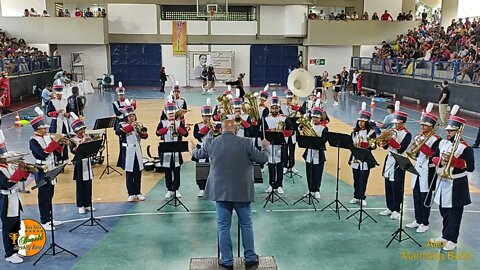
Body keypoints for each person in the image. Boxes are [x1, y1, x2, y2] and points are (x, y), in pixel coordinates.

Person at [193, 119, 269, 269]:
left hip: (220, 192)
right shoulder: (246, 143)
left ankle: (227, 261)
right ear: (236, 129)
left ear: (222, 129)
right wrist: (265, 147)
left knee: (223, 227)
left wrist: (191, 149)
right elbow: (262, 159)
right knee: (246, 224)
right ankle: (250, 259)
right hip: (242, 191)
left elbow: (197, 154)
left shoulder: (210, 142)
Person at [430, 106, 474, 251]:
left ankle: (453, 239)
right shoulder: (442, 143)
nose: (448, 133)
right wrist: (440, 161)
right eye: (447, 130)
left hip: (457, 184)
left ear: (458, 131)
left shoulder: (465, 148)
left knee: (455, 213)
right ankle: (444, 235)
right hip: (443, 181)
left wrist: (454, 161)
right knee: (444, 211)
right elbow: (434, 157)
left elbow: (470, 167)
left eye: (451, 131)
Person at [29, 107, 66, 231]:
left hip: (51, 166)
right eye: (43, 128)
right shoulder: (33, 141)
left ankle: (50, 218)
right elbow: (42, 153)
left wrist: (60, 144)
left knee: (50, 194)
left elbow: (53, 151)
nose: (46, 129)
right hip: (41, 169)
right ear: (38, 129)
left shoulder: (46, 137)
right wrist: (55, 141)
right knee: (43, 195)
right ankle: (44, 220)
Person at [406, 105, 441, 233]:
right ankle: (418, 219)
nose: (421, 127)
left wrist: (422, 146)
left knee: (424, 197)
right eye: (421, 125)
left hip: (428, 171)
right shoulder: (420, 135)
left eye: (424, 125)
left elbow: (434, 156)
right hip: (418, 168)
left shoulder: (437, 140)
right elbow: (414, 152)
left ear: (431, 126)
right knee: (416, 196)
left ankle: (425, 222)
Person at [0, 131, 31, 264]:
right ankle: (9, 253)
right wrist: (19, 172)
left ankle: (15, 249)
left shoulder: (8, 166)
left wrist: (25, 170)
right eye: (3, 156)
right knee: (8, 227)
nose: (6, 157)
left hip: (14, 199)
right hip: (5, 200)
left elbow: (20, 179)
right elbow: (6, 184)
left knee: (16, 226)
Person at [379, 102, 412, 220]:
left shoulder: (407, 134)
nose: (395, 125)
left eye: (397, 123)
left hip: (399, 161)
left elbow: (400, 148)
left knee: (397, 185)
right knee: (388, 183)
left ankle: (397, 209)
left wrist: (390, 140)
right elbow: (387, 147)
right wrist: (384, 142)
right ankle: (389, 206)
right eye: (395, 123)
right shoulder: (393, 131)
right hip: (389, 159)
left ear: (402, 122)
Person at [156, 99, 189, 198]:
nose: (171, 116)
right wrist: (167, 127)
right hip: (166, 150)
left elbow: (185, 134)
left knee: (176, 170)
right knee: (167, 170)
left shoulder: (179, 123)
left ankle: (176, 189)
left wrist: (177, 127)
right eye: (169, 114)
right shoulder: (162, 123)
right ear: (166, 114)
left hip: (176, 149)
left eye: (172, 114)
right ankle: (169, 189)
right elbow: (157, 133)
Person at [116, 104, 148, 202]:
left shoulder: (138, 124)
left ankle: (138, 192)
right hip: (127, 151)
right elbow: (118, 132)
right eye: (130, 116)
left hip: (137, 150)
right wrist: (131, 126)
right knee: (129, 173)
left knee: (138, 172)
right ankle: (131, 193)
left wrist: (142, 133)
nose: (132, 117)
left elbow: (145, 136)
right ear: (126, 117)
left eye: (133, 115)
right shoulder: (121, 124)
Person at [263, 93, 293, 194]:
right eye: (273, 108)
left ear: (279, 108)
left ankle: (279, 185)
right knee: (271, 165)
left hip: (281, 145)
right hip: (270, 145)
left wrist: (282, 133)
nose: (274, 110)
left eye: (276, 108)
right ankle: (271, 184)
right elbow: (263, 132)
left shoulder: (284, 118)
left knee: (279, 165)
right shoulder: (266, 119)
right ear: (270, 108)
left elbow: (290, 131)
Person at [192, 99, 220, 197]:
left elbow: (218, 136)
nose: (207, 118)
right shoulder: (197, 125)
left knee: (214, 169)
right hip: (201, 149)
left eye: (209, 116)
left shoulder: (215, 125)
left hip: (213, 149)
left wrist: (215, 129)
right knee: (201, 169)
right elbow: (197, 136)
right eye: (205, 116)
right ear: (202, 116)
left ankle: (214, 187)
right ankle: (202, 188)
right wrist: (207, 128)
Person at [350, 103, 376, 205]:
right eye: (360, 121)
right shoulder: (354, 132)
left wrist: (364, 145)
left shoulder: (371, 132)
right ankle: (356, 196)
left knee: (363, 179)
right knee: (356, 178)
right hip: (355, 158)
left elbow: (373, 146)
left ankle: (362, 197)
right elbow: (350, 144)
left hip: (365, 159)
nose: (361, 123)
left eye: (363, 121)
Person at [69, 113, 95, 214]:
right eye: (81, 130)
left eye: (83, 129)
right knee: (80, 185)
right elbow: (73, 151)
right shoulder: (72, 139)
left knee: (88, 184)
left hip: (87, 162)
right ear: (76, 131)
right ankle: (80, 205)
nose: (83, 131)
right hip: (79, 163)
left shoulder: (86, 136)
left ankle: (88, 203)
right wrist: (81, 143)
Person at [303, 101, 328, 199]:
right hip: (309, 153)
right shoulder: (308, 126)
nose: (314, 119)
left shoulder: (324, 128)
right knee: (309, 172)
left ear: (321, 118)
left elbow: (323, 141)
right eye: (313, 117)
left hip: (318, 153)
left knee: (318, 172)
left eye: (316, 117)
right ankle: (310, 189)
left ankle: (316, 189)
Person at [47, 80, 71, 164]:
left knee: (65, 141)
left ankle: (65, 158)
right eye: (58, 94)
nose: (59, 96)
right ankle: (57, 159)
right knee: (56, 141)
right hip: (55, 124)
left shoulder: (65, 101)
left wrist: (67, 114)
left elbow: (70, 112)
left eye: (60, 94)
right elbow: (48, 113)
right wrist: (56, 112)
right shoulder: (52, 101)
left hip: (64, 123)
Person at [280, 89, 300, 173]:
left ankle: (292, 166)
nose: (289, 101)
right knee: (284, 149)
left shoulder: (295, 107)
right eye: (288, 99)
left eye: (291, 99)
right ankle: (284, 165)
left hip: (293, 132)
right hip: (285, 132)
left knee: (292, 150)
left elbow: (301, 114)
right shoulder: (282, 107)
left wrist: (294, 107)